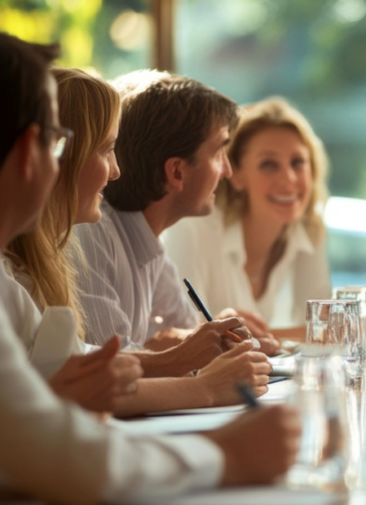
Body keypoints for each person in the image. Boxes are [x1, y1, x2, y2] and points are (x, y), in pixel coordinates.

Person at [0, 31, 298, 505]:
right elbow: (56, 450)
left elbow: (72, 363)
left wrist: (175, 363)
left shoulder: (6, 287)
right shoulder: (86, 243)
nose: (114, 171)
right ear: (27, 153)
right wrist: (225, 450)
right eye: (59, 144)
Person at [2, 67, 271, 417]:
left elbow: (80, 369)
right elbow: (79, 392)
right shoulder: (83, 241)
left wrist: (191, 349)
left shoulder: (44, 264)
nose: (115, 171)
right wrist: (200, 384)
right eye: (105, 150)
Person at [73, 70, 281, 359]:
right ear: (177, 172)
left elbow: (177, 332)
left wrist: (217, 332)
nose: (228, 171)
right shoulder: (91, 237)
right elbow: (111, 363)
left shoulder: (147, 242)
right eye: (220, 152)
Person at [164, 98, 331, 339]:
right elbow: (175, 340)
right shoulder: (194, 230)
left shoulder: (309, 228)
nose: (289, 179)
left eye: (298, 163)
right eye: (269, 164)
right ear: (236, 174)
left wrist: (254, 337)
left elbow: (322, 329)